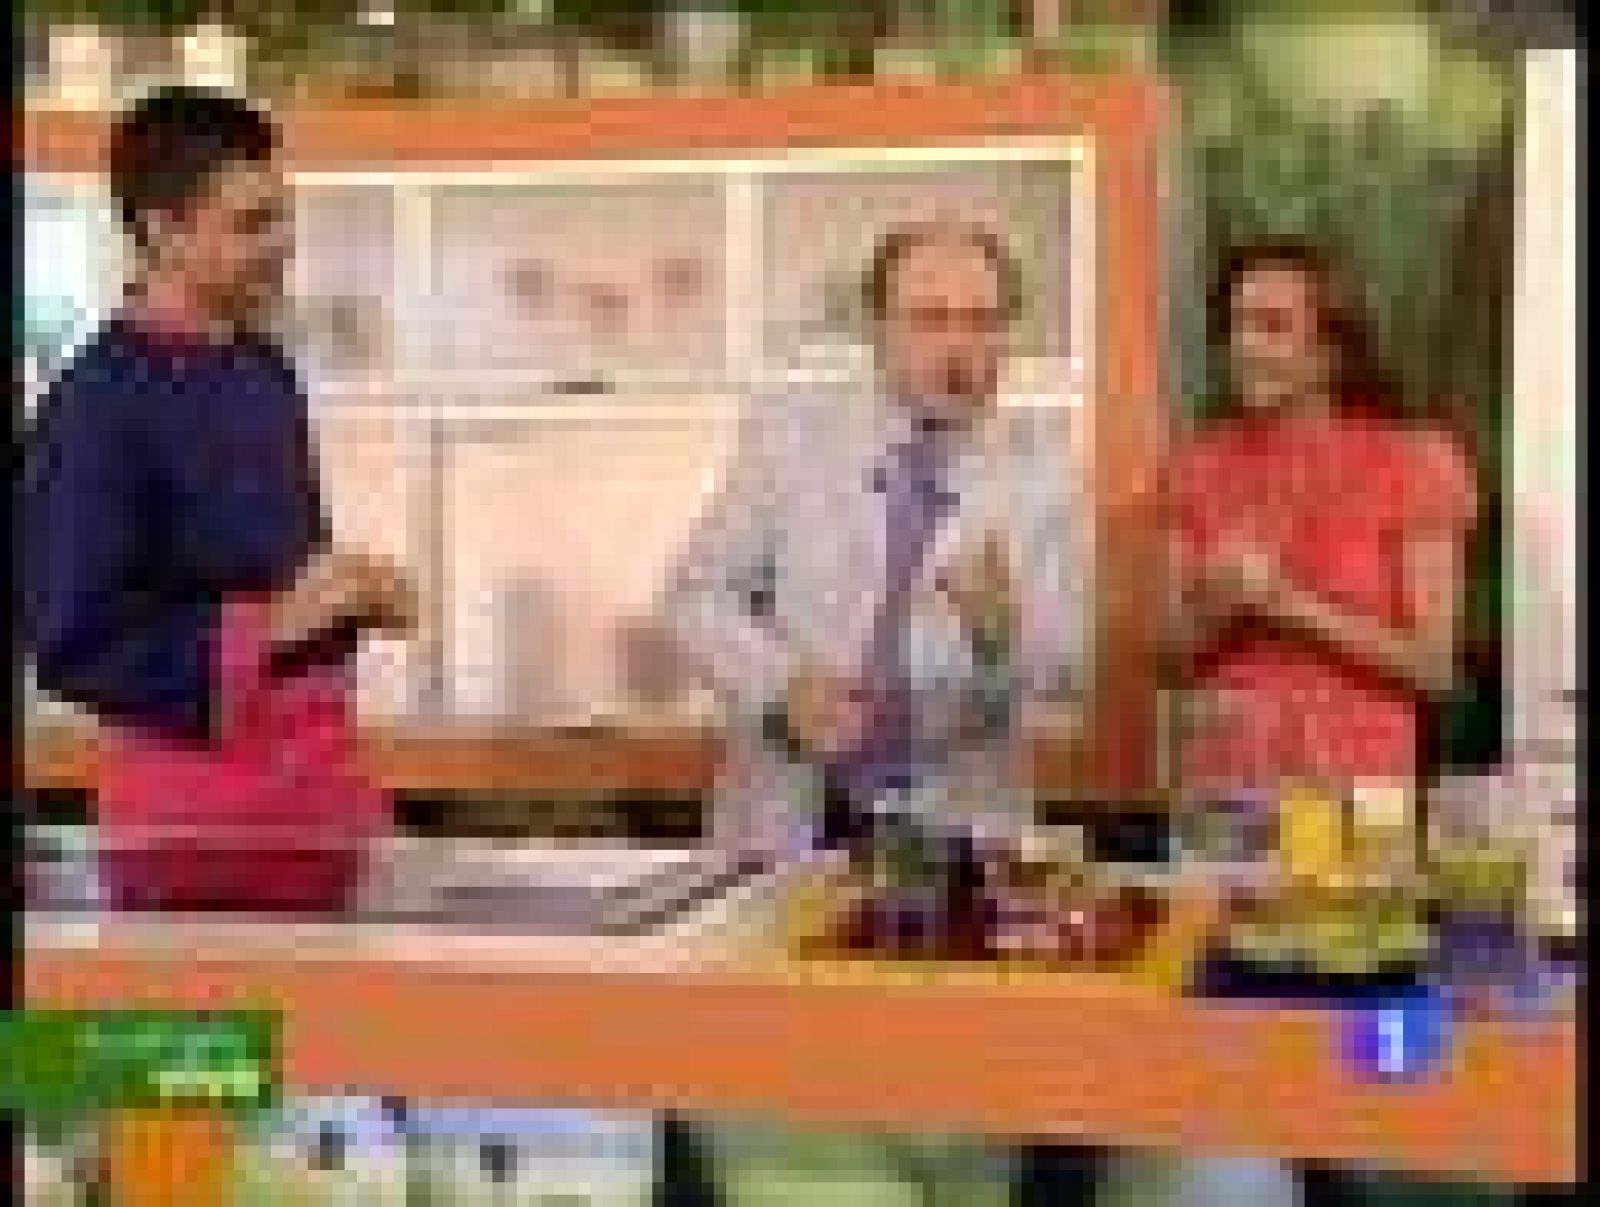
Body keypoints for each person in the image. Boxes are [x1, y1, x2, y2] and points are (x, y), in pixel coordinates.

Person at [657, 219, 1101, 1204]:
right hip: (790, 830)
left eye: (984, 321)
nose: (961, 348)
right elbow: (694, 596)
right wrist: (782, 688)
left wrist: (1001, 636)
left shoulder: (1042, 467)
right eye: (931, 319)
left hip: (956, 850)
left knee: (957, 1139)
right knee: (792, 1135)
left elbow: (1065, 671)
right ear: (878, 329)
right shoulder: (789, 438)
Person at [20, 86, 416, 914]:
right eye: (252, 224)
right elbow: (70, 640)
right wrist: (276, 624)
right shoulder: (95, 406)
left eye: (283, 217)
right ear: (161, 230)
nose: (283, 245)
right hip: (192, 832)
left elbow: (289, 586)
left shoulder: (265, 370)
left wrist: (357, 597)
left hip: (318, 802)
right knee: (217, 1015)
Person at [1162, 240, 1480, 1206]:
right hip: (1225, 813)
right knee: (1227, 1078)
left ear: (1331, 345)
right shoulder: (1197, 466)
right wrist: (1217, 604)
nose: (1245, 345)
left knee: (1370, 1080)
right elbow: (1169, 660)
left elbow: (1435, 666)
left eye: (1273, 325)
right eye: (1235, 323)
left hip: (1359, 819)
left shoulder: (1413, 461)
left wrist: (1289, 602)